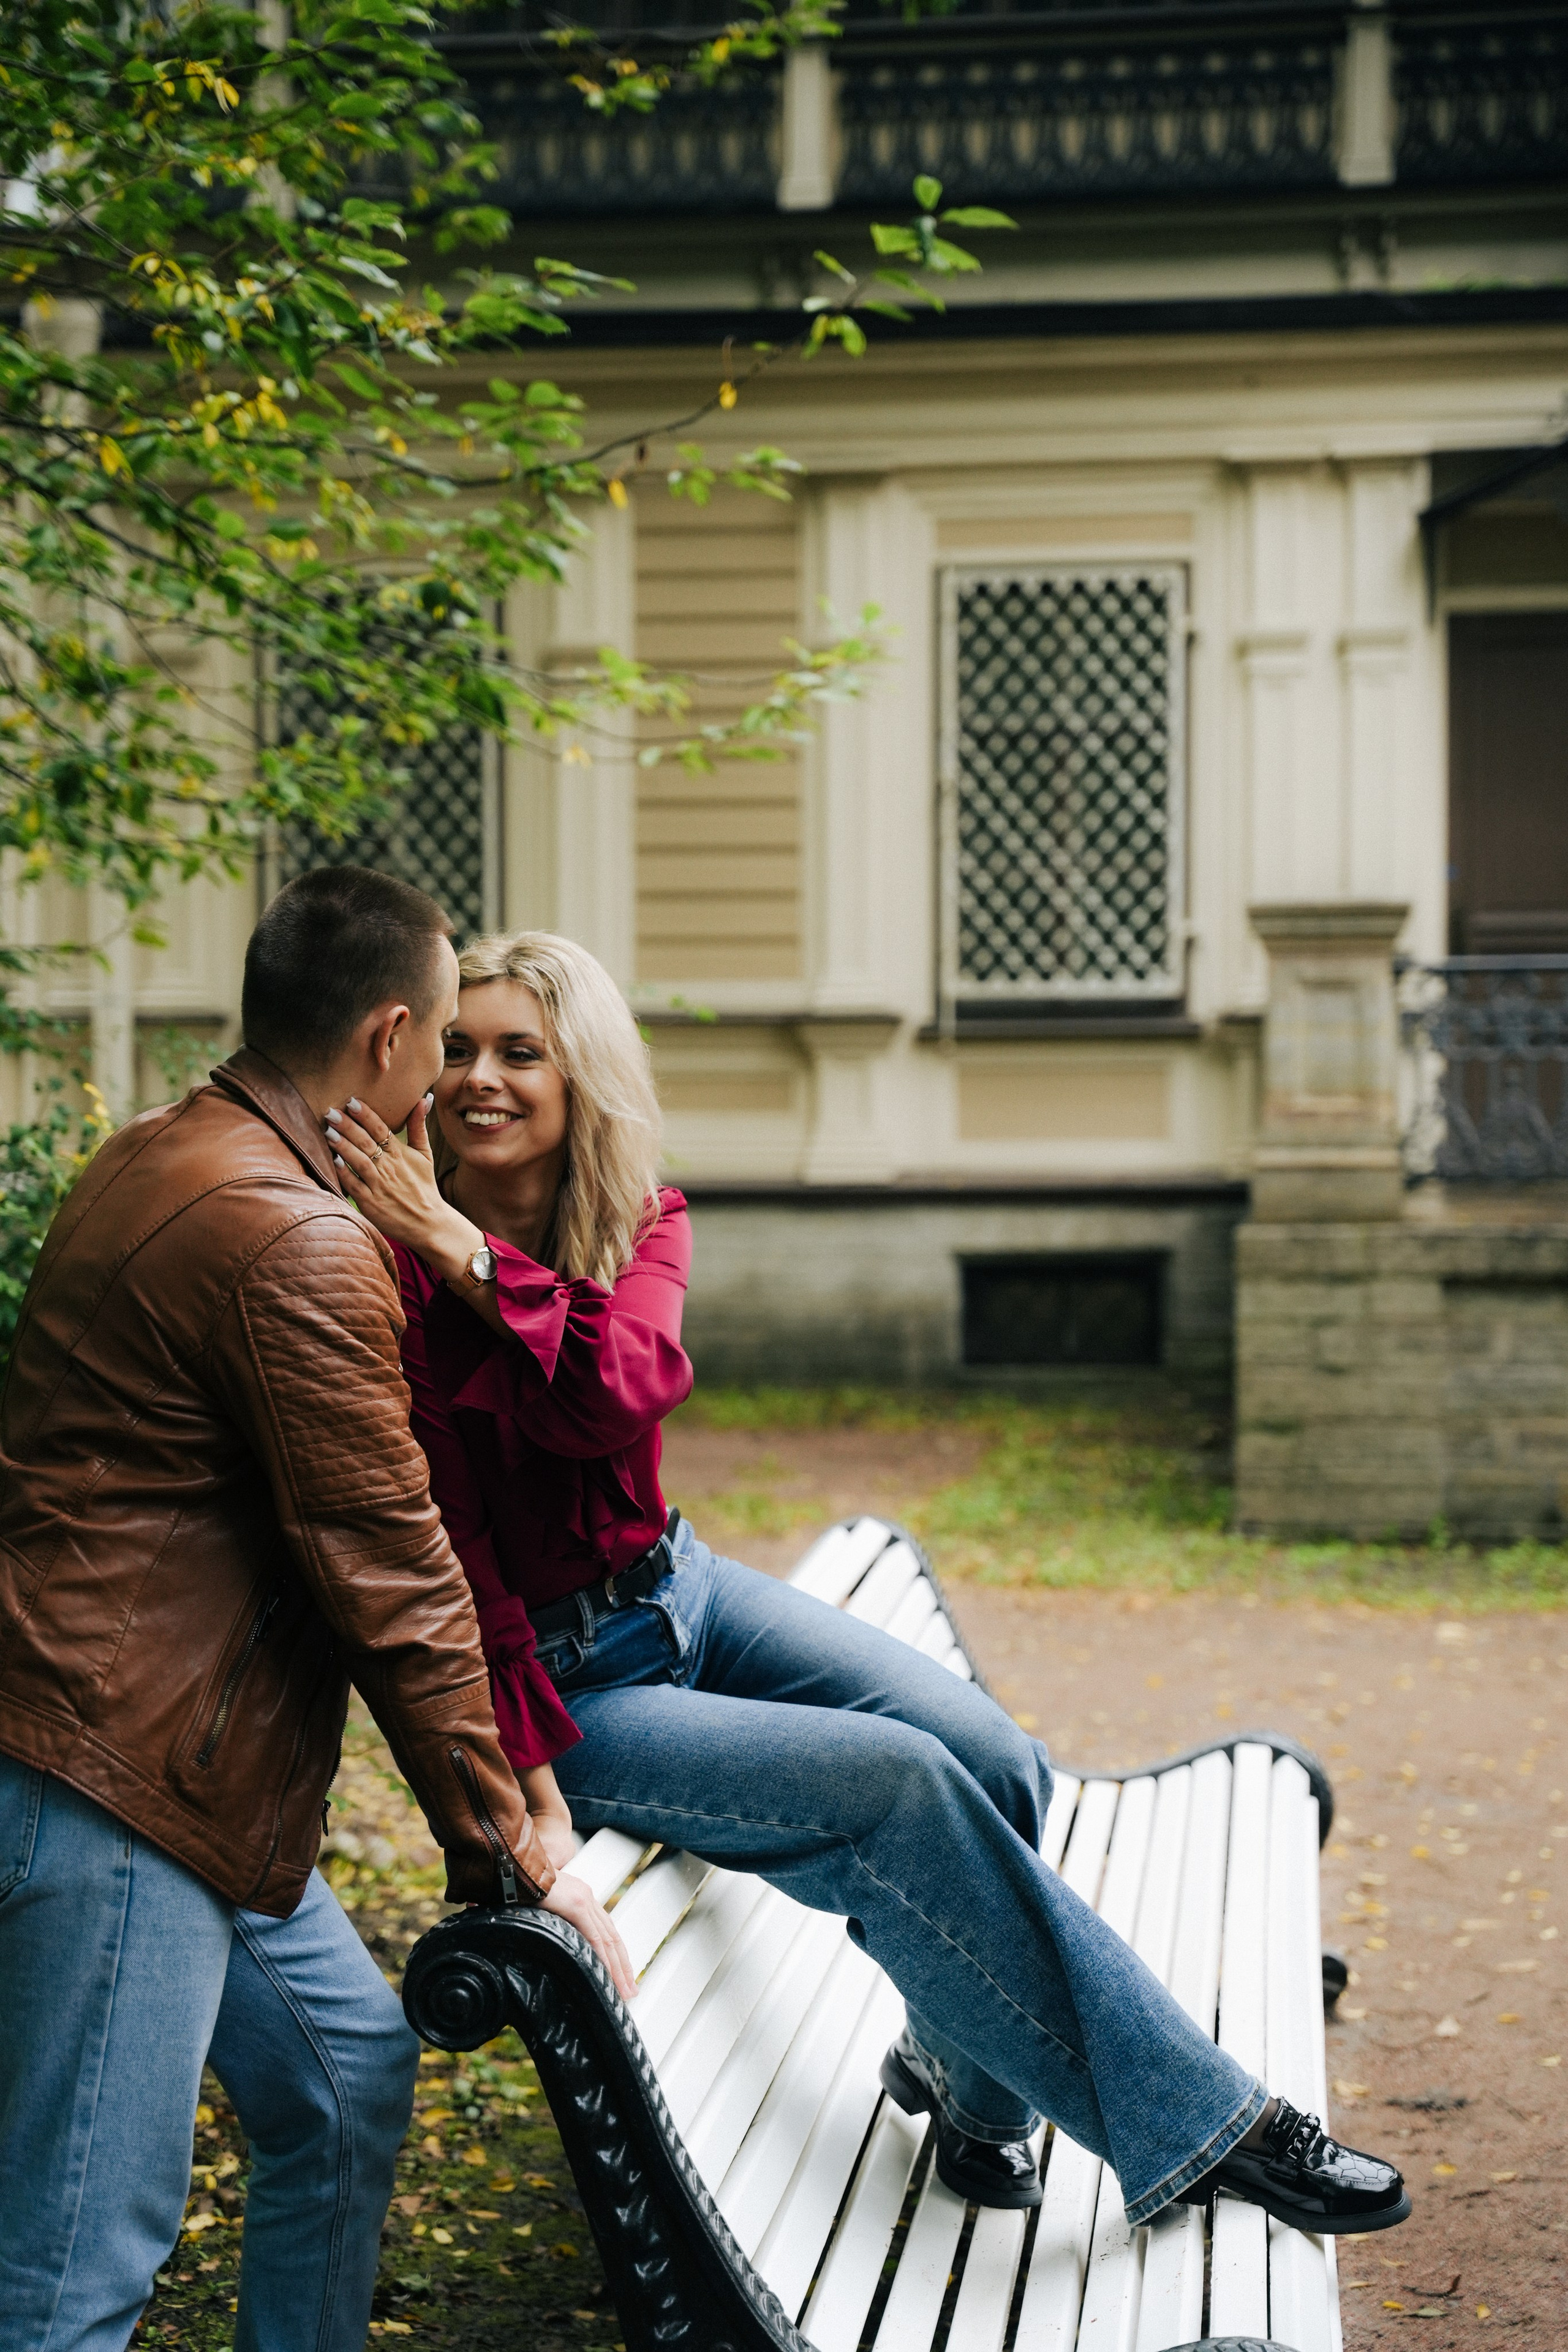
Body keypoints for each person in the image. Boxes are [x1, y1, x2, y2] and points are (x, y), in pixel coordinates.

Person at [328, 924, 1411, 2240]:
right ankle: (1210, 2125)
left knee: (994, 1759)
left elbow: (617, 1390)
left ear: (581, 1078)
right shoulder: (382, 1289)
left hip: (683, 1594)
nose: (475, 1079)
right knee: (900, 1790)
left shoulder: (638, 1223)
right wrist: (526, 1798)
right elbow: (453, 1563)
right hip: (568, 1692)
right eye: (454, 1049)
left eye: (518, 1051)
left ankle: (965, 2086)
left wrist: (469, 1254)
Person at [0, 871, 632, 2352]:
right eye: (443, 1044)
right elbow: (391, 1568)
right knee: (75, 2270)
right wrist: (510, 1849)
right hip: (119, 1780)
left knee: (346, 2082)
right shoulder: (291, 1237)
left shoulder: (164, 1148)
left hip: (180, 1762)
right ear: (392, 1035)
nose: (454, 1082)